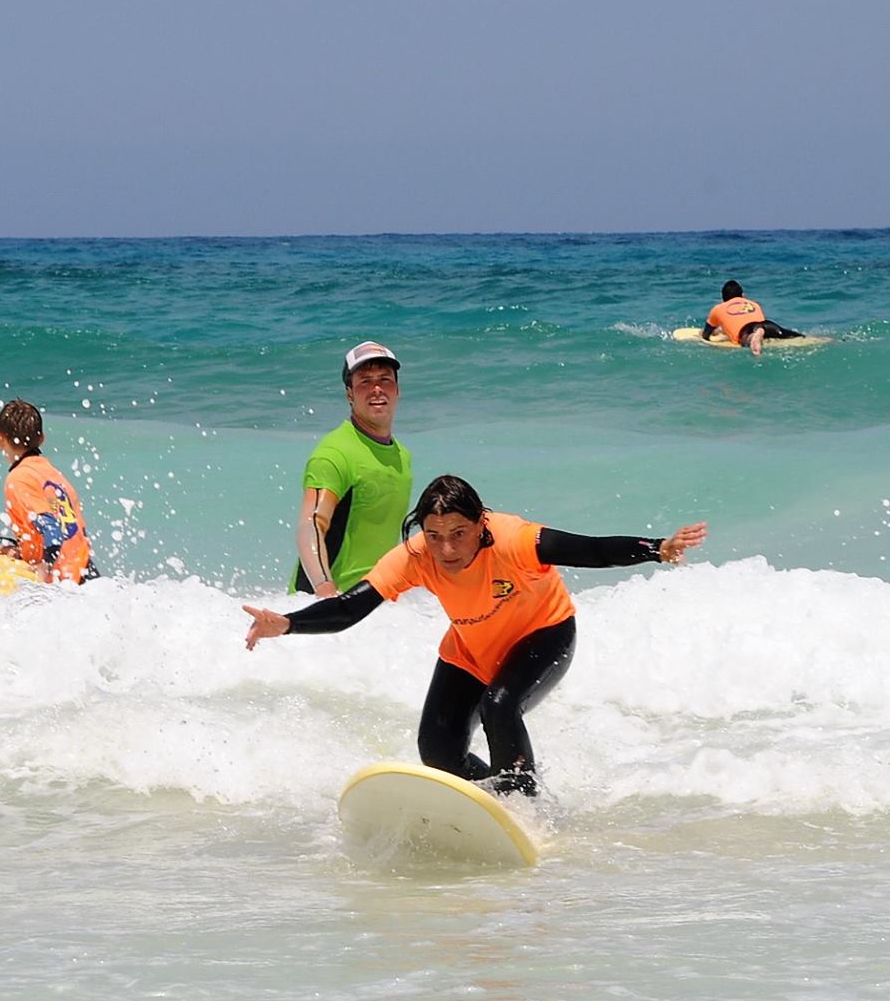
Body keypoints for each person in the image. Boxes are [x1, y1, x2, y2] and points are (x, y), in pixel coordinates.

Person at [246, 474, 707, 796]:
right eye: (434, 535)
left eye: (459, 534)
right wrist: (287, 624)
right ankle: (492, 799)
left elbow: (588, 548)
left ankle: (523, 804)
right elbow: (349, 609)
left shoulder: (513, 539)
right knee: (438, 750)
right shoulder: (414, 557)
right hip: (472, 649)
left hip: (544, 634)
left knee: (500, 706)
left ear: (480, 524)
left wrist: (655, 549)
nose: (446, 548)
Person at [292, 341, 412, 597]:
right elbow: (310, 525)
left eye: (384, 379)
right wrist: (326, 593)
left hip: (372, 604)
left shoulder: (402, 455)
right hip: (326, 604)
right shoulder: (335, 454)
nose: (376, 389)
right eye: (365, 381)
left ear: (398, 389)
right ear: (349, 394)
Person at [0, 398, 97, 583]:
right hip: (87, 572)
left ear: (0, 439)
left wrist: (44, 570)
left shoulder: (18, 478)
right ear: (42, 438)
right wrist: (20, 551)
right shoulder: (53, 475)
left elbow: (52, 531)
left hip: (64, 583)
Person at [702, 279, 805, 356]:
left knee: (749, 336)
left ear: (723, 298)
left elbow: (706, 334)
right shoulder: (753, 304)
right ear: (743, 295)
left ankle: (754, 338)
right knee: (785, 333)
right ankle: (802, 336)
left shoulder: (718, 308)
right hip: (767, 325)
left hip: (747, 330)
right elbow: (755, 320)